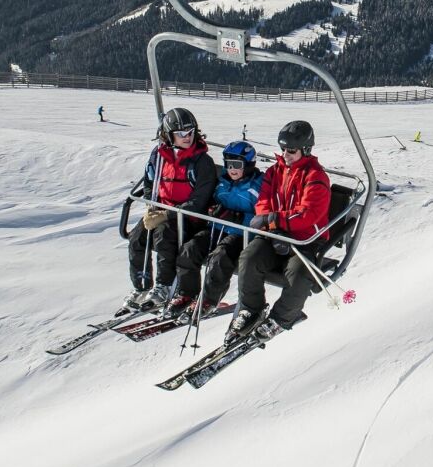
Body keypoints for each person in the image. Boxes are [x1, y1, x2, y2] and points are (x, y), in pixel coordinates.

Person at [227, 120, 332, 345]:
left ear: (305, 149)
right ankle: (250, 309)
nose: (286, 154)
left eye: (291, 150)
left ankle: (281, 318)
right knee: (249, 257)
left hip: (304, 240)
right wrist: (272, 226)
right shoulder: (275, 172)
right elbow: (263, 203)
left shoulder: (316, 177)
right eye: (283, 149)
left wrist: (273, 220)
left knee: (299, 275)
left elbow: (308, 215)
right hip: (275, 236)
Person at [123, 108, 218, 312]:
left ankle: (164, 286)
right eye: (181, 133)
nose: (187, 137)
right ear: (168, 135)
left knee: (164, 235)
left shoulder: (202, 163)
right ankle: (141, 286)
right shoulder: (159, 156)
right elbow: (150, 182)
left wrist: (168, 213)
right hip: (162, 210)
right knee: (137, 237)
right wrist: (152, 205)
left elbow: (199, 200)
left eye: (191, 132)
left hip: (189, 218)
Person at [167, 140, 263, 320]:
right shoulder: (222, 182)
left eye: (237, 165)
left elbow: (263, 213)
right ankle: (187, 293)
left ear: (249, 164)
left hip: (240, 235)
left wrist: (240, 218)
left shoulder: (257, 186)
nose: (231, 169)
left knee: (219, 258)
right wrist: (213, 208)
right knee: (189, 249)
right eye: (228, 164)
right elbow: (211, 200)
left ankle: (209, 300)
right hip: (215, 228)